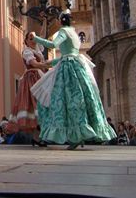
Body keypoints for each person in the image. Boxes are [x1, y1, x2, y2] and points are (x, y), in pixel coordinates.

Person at [30, 12, 114, 149]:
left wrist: (36, 38)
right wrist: (50, 63)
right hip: (77, 66)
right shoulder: (74, 33)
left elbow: (52, 45)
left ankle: (73, 136)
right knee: (79, 99)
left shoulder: (63, 31)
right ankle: (78, 135)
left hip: (68, 69)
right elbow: (69, 53)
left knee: (60, 99)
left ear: (60, 21)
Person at [11, 31, 49, 147]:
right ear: (26, 40)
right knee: (35, 105)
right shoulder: (27, 51)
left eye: (34, 37)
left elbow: (42, 34)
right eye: (30, 38)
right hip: (32, 78)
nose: (33, 40)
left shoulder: (37, 50)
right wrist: (47, 65)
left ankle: (38, 137)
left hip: (40, 76)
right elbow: (34, 63)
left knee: (42, 104)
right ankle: (37, 137)